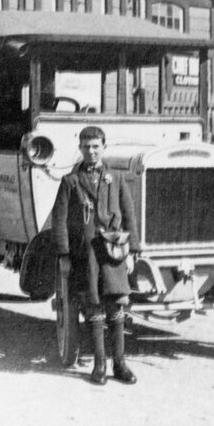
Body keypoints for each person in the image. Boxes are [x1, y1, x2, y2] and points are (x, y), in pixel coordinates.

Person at [52, 125, 140, 385]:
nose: (91, 151)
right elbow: (59, 221)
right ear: (80, 149)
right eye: (86, 147)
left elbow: (129, 216)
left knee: (117, 308)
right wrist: (64, 255)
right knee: (94, 308)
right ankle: (99, 366)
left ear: (104, 148)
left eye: (96, 147)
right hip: (86, 253)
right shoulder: (70, 182)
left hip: (113, 253)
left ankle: (120, 364)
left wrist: (132, 251)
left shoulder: (116, 179)